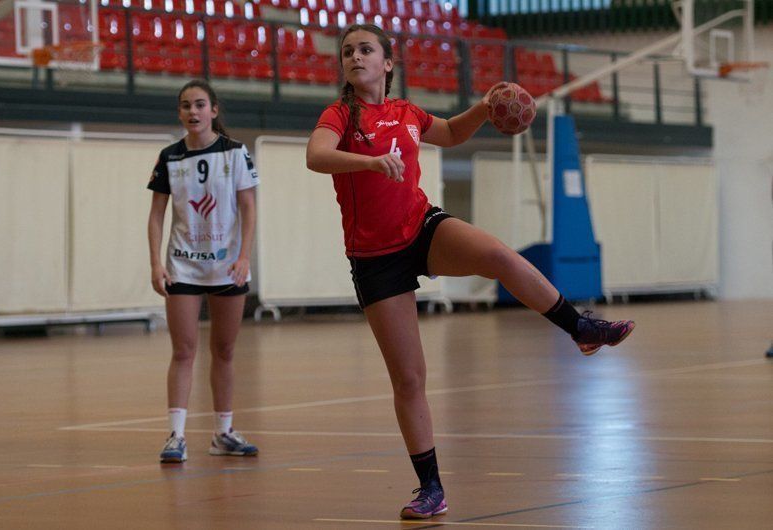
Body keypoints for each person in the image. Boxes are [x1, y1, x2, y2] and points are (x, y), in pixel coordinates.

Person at [306, 24, 635, 520]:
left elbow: (453, 134)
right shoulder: (339, 115)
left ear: (387, 64)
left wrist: (484, 108)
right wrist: (370, 164)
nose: (355, 56)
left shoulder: (408, 112)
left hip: (421, 227)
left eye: (366, 49)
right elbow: (316, 156)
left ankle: (581, 327)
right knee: (410, 379)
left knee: (499, 256)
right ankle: (431, 488)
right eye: (348, 51)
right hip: (374, 258)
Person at [147, 79, 260, 463]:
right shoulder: (170, 157)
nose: (192, 112)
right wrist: (156, 263)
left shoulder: (235, 153)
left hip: (227, 265)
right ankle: (176, 436)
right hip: (183, 267)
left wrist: (244, 256)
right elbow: (156, 215)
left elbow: (248, 208)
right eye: (185, 106)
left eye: (199, 105)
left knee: (224, 350)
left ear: (213, 111)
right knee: (183, 350)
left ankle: (222, 433)